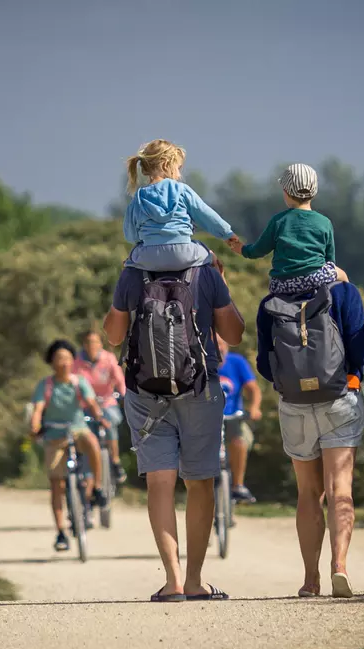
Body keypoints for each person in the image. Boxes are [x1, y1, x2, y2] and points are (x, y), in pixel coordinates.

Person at [103, 257, 245, 602]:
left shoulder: (133, 269)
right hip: (199, 389)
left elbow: (113, 335)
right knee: (200, 482)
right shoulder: (207, 270)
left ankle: (173, 581)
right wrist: (219, 287)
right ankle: (195, 580)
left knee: (159, 483)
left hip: (145, 391)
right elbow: (235, 335)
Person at [256, 281, 364, 598]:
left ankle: (311, 580)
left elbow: (265, 366)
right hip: (339, 399)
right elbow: (360, 350)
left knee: (308, 492)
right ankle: (340, 567)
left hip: (294, 406)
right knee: (340, 488)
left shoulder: (271, 301)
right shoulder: (344, 293)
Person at [29, 339, 112, 552]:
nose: (64, 362)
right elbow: (38, 409)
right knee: (56, 484)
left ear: (72, 361)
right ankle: (61, 532)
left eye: (67, 358)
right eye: (59, 359)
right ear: (52, 362)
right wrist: (35, 425)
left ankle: (99, 489)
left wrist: (100, 418)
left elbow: (92, 404)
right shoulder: (45, 385)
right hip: (54, 435)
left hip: (78, 430)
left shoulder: (79, 382)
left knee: (93, 443)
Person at [123, 139, 243, 272]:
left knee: (130, 262)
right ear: (165, 165)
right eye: (178, 168)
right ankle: (224, 293)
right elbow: (206, 216)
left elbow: (130, 235)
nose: (179, 174)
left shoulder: (139, 197)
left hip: (149, 257)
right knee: (213, 259)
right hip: (183, 253)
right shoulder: (181, 190)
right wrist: (228, 235)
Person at [235, 163, 349, 295]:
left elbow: (258, 251)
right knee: (343, 276)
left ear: (286, 192)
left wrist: (242, 249)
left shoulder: (278, 221)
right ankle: (352, 315)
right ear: (315, 192)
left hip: (282, 285)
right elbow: (330, 260)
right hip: (314, 279)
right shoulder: (325, 222)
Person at [76, 330, 128, 485]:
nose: (92, 345)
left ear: (101, 344)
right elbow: (72, 381)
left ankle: (115, 460)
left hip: (106, 402)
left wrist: (125, 395)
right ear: (84, 345)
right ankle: (83, 470)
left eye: (95, 342)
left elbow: (120, 380)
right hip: (85, 405)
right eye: (89, 342)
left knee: (110, 422)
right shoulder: (76, 362)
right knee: (83, 432)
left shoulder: (109, 359)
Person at [217, 337, 263, 504]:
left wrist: (254, 407)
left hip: (233, 416)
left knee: (239, 441)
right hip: (207, 418)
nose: (219, 348)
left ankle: (237, 485)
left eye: (221, 344)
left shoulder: (236, 362)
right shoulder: (201, 361)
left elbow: (253, 388)